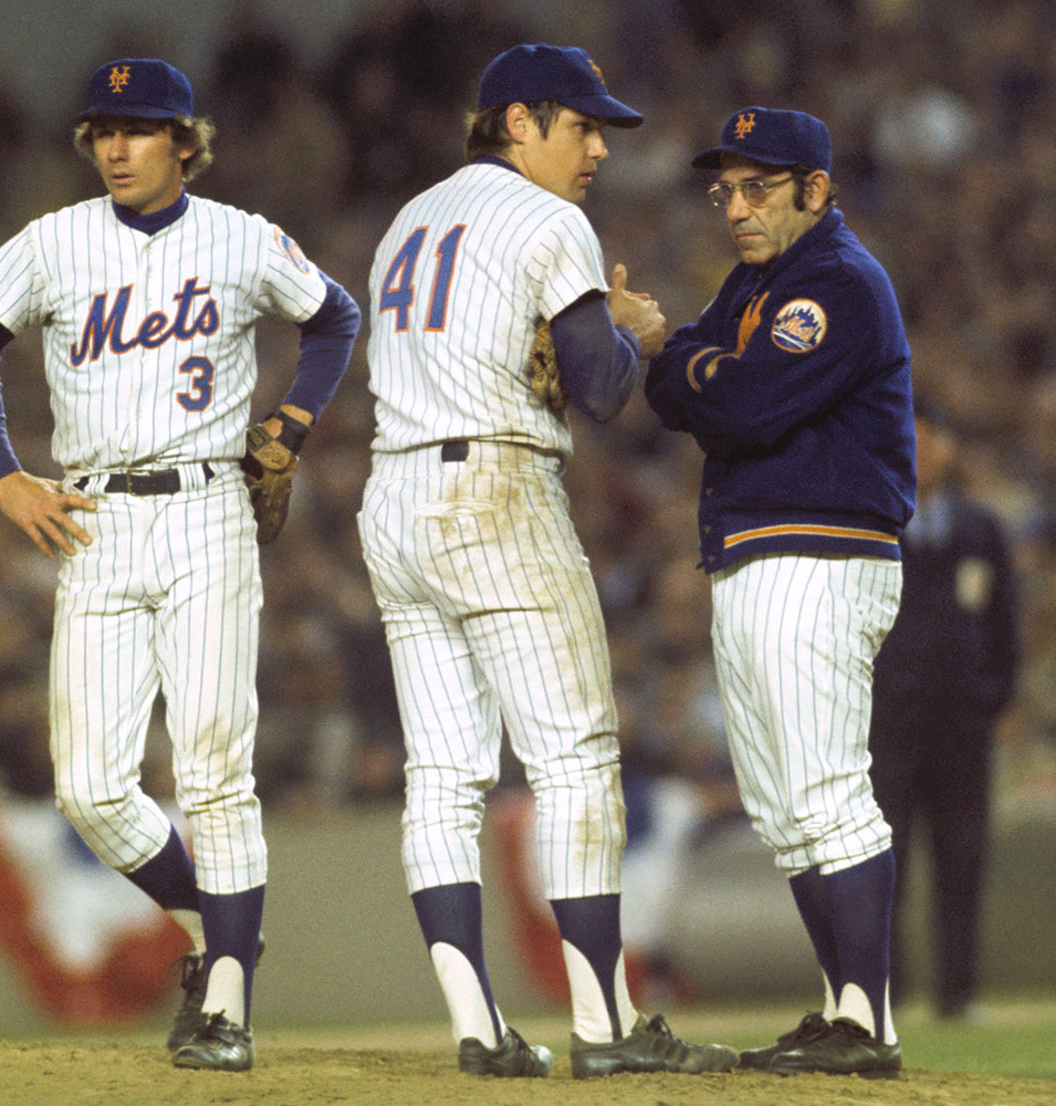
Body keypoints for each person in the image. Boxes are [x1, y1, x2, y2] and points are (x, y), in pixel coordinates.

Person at [0, 57, 361, 1071]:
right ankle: (224, 932)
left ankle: (225, 1001)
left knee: (215, 765)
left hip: (210, 506)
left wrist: (294, 420)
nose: (115, 147)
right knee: (88, 786)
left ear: (184, 139)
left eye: (136, 129)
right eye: (102, 131)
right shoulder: (54, 240)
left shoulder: (241, 236)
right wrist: (2, 473)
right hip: (93, 516)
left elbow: (335, 315)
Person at [357, 43, 737, 1080]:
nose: (601, 148)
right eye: (583, 125)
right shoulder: (548, 219)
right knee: (573, 760)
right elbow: (604, 388)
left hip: (394, 491)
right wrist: (636, 330)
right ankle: (605, 1024)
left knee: (442, 774)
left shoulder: (408, 220)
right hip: (496, 488)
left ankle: (478, 1027)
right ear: (518, 121)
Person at [644, 106, 916, 1079]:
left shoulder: (835, 279)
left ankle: (867, 1022)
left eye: (760, 186)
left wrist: (690, 358)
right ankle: (849, 1010)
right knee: (782, 805)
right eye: (727, 188)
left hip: (821, 552)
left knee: (827, 792)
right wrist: (697, 364)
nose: (737, 206)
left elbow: (743, 405)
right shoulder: (754, 284)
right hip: (759, 554)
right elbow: (678, 393)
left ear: (815, 187)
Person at [869, 398, 1020, 1019]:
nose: (924, 454)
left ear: (951, 448)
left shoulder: (981, 529)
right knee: (886, 866)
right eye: (913, 441)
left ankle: (958, 995)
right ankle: (887, 997)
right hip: (890, 731)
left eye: (934, 441)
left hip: (961, 731)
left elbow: (1005, 630)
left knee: (963, 863)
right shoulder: (871, 524)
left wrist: (990, 702)